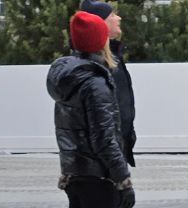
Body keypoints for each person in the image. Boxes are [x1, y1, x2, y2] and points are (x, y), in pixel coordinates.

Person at [47, 11, 136, 208]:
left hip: (75, 174)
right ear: (99, 40)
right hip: (99, 180)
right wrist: (123, 180)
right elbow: (104, 138)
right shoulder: (95, 83)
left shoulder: (69, 79)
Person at [80, 0, 136, 168]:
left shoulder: (111, 57)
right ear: (101, 23)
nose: (118, 18)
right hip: (105, 157)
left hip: (114, 151)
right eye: (112, 14)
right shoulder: (98, 62)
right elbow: (102, 117)